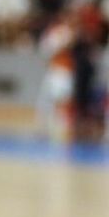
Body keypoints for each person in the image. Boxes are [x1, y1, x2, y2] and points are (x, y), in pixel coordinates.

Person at [37, 15, 77, 143]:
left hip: (64, 71)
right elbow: (46, 51)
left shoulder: (67, 33)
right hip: (55, 71)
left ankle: (61, 131)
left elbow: (64, 46)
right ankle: (45, 129)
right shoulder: (56, 33)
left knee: (62, 102)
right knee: (46, 101)